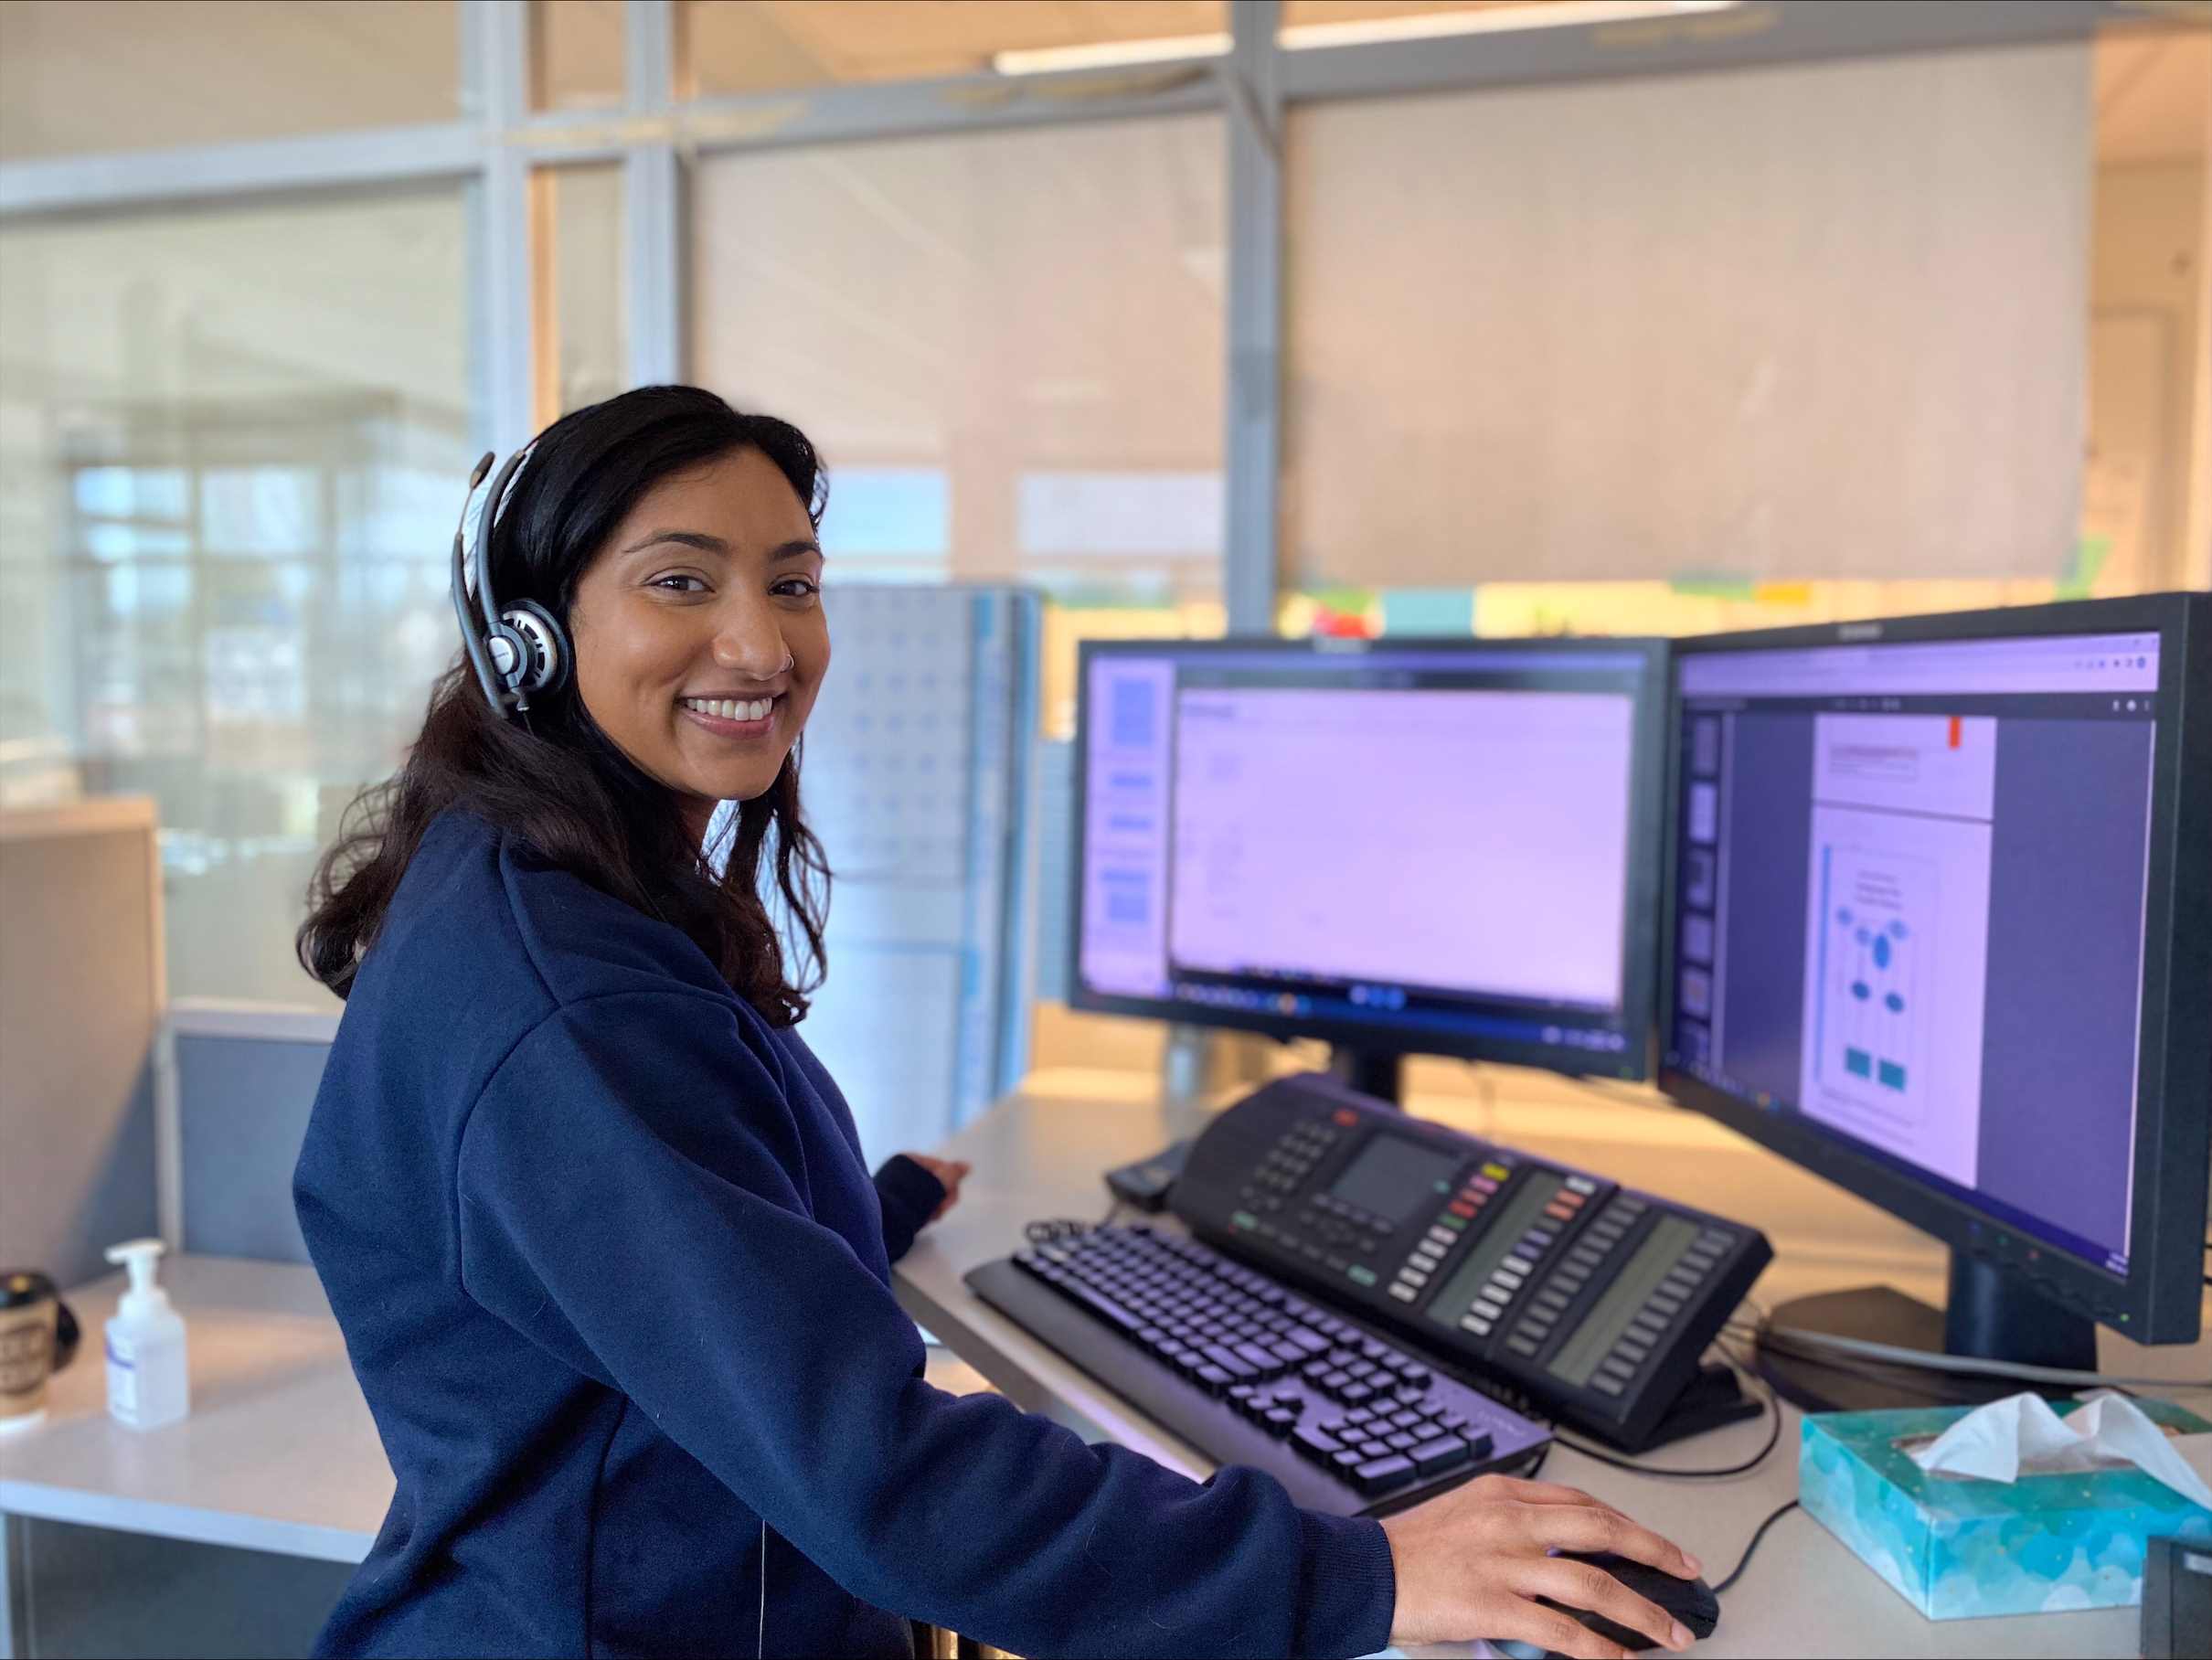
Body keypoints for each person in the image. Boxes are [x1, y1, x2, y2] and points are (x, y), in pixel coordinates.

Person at [293, 385, 1703, 1658]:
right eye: (681, 582)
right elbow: (878, 1476)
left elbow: (639, 1247)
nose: (761, 641)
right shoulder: (569, 1004)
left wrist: (858, 1215)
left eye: (794, 585)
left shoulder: (549, 880)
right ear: (532, 634)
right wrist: (1362, 1576)